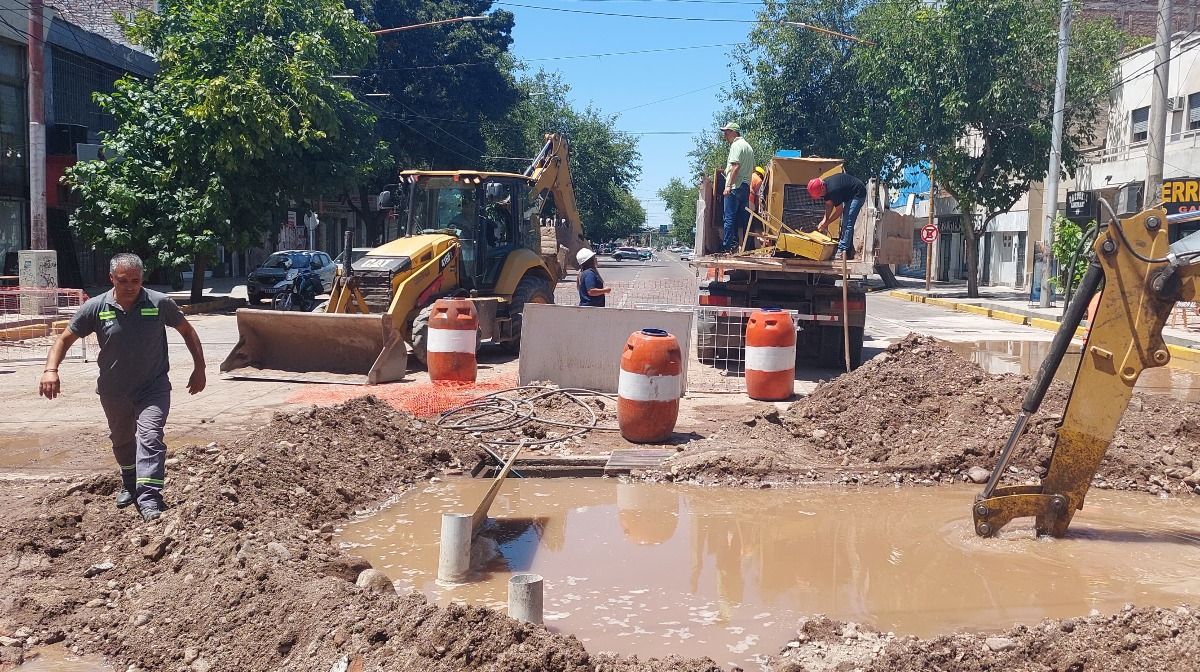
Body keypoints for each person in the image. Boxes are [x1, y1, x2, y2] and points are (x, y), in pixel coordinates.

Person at [39, 253, 206, 522]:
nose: (130, 285)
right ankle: (129, 481)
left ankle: (149, 497)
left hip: (153, 387)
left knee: (150, 437)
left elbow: (187, 331)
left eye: (135, 280)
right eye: (123, 280)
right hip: (114, 390)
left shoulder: (159, 302)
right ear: (111, 279)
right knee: (123, 441)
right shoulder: (95, 307)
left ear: (143, 279)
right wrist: (51, 370)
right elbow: (64, 339)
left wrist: (200, 368)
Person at [809, 172, 868, 261]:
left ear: (822, 189)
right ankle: (848, 251)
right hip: (848, 194)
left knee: (847, 222)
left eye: (819, 195)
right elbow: (829, 204)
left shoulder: (833, 190)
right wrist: (825, 219)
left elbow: (839, 211)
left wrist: (828, 222)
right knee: (846, 221)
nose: (820, 196)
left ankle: (841, 251)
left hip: (858, 193)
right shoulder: (825, 187)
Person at [719, 122, 754, 252]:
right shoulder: (748, 147)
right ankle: (745, 247)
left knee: (728, 217)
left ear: (734, 132)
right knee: (743, 219)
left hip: (735, 186)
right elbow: (752, 168)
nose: (725, 135)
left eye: (727, 132)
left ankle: (728, 246)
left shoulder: (736, 145)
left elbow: (736, 166)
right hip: (745, 186)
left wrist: (728, 185)